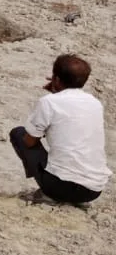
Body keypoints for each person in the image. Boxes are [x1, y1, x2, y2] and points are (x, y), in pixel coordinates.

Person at [10, 55, 110, 206]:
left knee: (19, 133)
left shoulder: (48, 102)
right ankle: (75, 200)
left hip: (59, 186)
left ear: (55, 79)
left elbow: (30, 142)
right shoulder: (95, 103)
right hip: (93, 190)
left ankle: (47, 192)